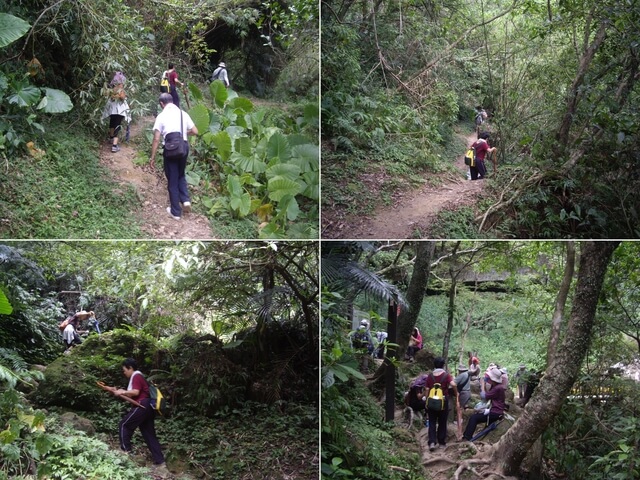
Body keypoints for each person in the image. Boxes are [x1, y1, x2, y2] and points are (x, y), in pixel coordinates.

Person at [114, 358, 169, 477]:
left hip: (142, 405)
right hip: (149, 407)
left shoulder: (136, 375)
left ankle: (125, 452)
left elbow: (135, 392)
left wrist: (122, 392)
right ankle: (160, 462)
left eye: (124, 370)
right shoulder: (139, 376)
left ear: (130, 368)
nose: (124, 373)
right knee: (149, 434)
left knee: (124, 425)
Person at [150, 93, 198, 220]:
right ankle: (185, 200)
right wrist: (183, 134)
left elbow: (156, 138)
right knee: (181, 174)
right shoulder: (183, 113)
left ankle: (176, 212)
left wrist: (152, 157)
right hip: (184, 147)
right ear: (172, 101)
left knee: (172, 178)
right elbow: (195, 131)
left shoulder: (161, 116)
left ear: (162, 104)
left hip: (171, 149)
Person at [463, 366, 506, 441]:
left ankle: (467, 437)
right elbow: (489, 395)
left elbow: (484, 396)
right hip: (496, 410)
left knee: (474, 418)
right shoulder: (497, 386)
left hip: (495, 412)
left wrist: (482, 384)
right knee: (476, 416)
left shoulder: (497, 388)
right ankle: (467, 436)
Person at [425, 357, 458, 451]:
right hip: (443, 401)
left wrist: (427, 400)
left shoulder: (430, 376)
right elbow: (454, 384)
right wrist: (456, 394)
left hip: (431, 401)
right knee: (442, 421)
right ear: (443, 365)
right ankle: (441, 442)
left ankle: (431, 442)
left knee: (431, 421)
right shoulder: (446, 375)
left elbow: (427, 389)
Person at [102, 71, 130, 153]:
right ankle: (114, 145)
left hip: (112, 110)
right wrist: (123, 95)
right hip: (119, 111)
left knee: (112, 123)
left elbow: (109, 96)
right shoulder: (120, 89)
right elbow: (122, 97)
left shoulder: (112, 89)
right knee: (117, 125)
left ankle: (111, 138)